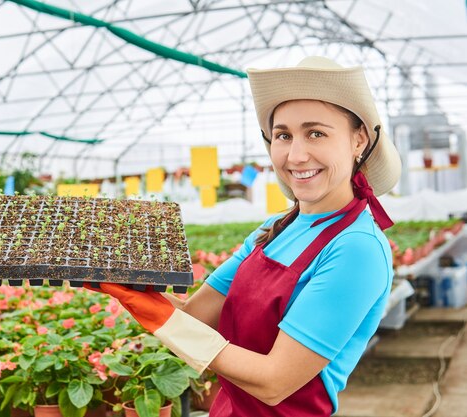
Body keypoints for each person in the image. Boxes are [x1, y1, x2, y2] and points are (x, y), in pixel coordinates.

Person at [86, 56, 402, 416]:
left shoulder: (356, 248)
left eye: (316, 133)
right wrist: (128, 287)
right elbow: (197, 317)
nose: (296, 155)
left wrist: (161, 318)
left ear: (358, 139)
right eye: (283, 135)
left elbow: (273, 382)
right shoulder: (274, 230)